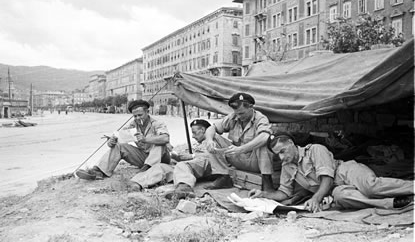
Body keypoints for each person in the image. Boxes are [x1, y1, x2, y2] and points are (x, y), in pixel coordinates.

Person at [249, 132, 414, 212]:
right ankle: (392, 203)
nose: (282, 156)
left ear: (291, 143)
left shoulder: (315, 149)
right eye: (278, 154)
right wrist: (263, 194)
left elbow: (326, 178)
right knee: (342, 198)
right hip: (335, 189)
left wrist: (315, 199)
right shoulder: (287, 167)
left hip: (346, 172)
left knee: (371, 188)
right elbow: (284, 193)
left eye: (283, 151)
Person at [128, 119, 232, 198]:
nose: (192, 136)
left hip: (209, 168)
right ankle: (137, 183)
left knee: (182, 165)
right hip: (192, 168)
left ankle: (184, 188)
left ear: (203, 130)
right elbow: (192, 159)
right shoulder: (198, 144)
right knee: (162, 167)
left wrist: (192, 156)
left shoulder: (214, 139)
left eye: (195, 132)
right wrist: (177, 156)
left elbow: (219, 155)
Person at [76, 99, 171, 180]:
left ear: (147, 112)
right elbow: (119, 138)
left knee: (159, 144)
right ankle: (99, 171)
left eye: (140, 115)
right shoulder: (132, 125)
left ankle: (147, 170)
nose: (137, 118)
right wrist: (111, 142)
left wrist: (145, 139)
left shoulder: (157, 123)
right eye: (135, 116)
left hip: (161, 158)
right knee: (120, 147)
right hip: (144, 158)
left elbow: (165, 138)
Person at [205, 92, 274, 191]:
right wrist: (209, 140)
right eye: (236, 113)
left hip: (255, 162)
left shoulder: (260, 118)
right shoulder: (233, 116)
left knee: (263, 143)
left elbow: (264, 136)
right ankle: (224, 177)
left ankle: (267, 183)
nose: (239, 116)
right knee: (214, 137)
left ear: (250, 107)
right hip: (237, 158)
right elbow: (212, 128)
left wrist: (241, 149)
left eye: (242, 113)